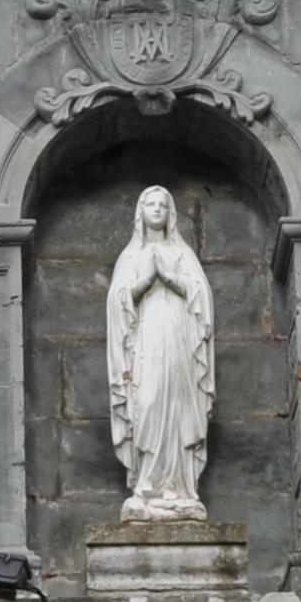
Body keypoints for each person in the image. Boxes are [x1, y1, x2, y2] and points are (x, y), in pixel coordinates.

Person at [106, 185, 214, 519]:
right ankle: (146, 484)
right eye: (149, 204)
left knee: (180, 405)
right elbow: (116, 303)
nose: (156, 209)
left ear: (171, 213)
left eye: (162, 205)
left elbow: (202, 298)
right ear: (140, 212)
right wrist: (144, 281)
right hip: (144, 340)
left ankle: (181, 488)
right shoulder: (132, 256)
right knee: (148, 402)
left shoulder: (182, 254)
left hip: (179, 338)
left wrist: (168, 277)